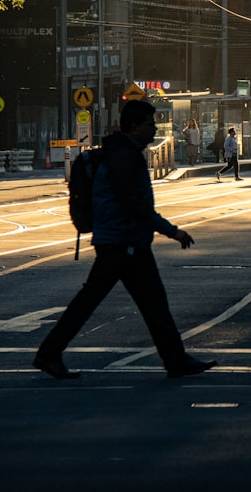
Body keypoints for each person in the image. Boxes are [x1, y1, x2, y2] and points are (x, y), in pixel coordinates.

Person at [33, 100, 216, 380]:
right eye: (149, 125)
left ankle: (176, 360)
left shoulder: (123, 153)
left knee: (152, 303)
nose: (154, 130)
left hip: (128, 242)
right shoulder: (124, 157)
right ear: (134, 127)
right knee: (96, 300)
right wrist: (172, 230)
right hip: (121, 243)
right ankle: (48, 354)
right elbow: (136, 204)